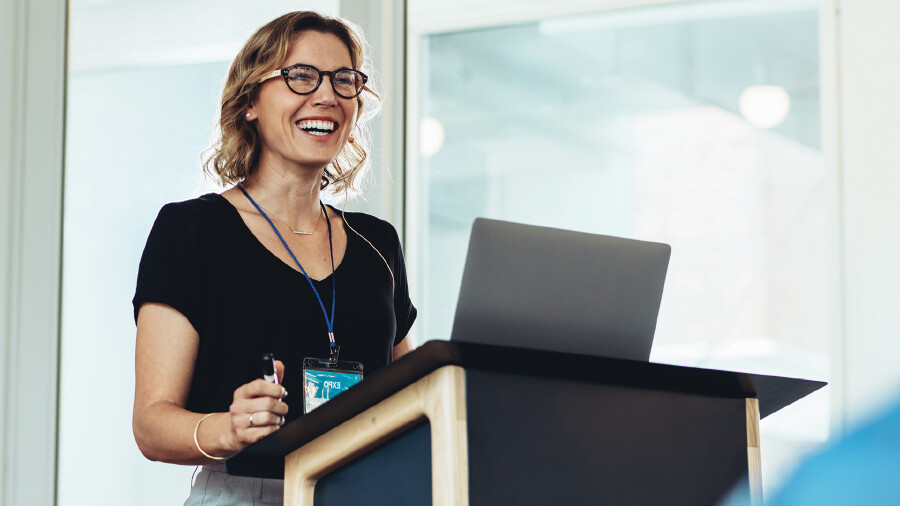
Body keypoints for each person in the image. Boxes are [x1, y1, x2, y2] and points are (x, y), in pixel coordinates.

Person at [131, 11, 416, 505]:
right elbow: (151, 424)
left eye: (343, 80)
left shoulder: (378, 245)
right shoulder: (191, 230)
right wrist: (229, 428)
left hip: (366, 493)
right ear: (249, 103)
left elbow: (413, 402)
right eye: (300, 76)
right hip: (249, 492)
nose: (326, 95)